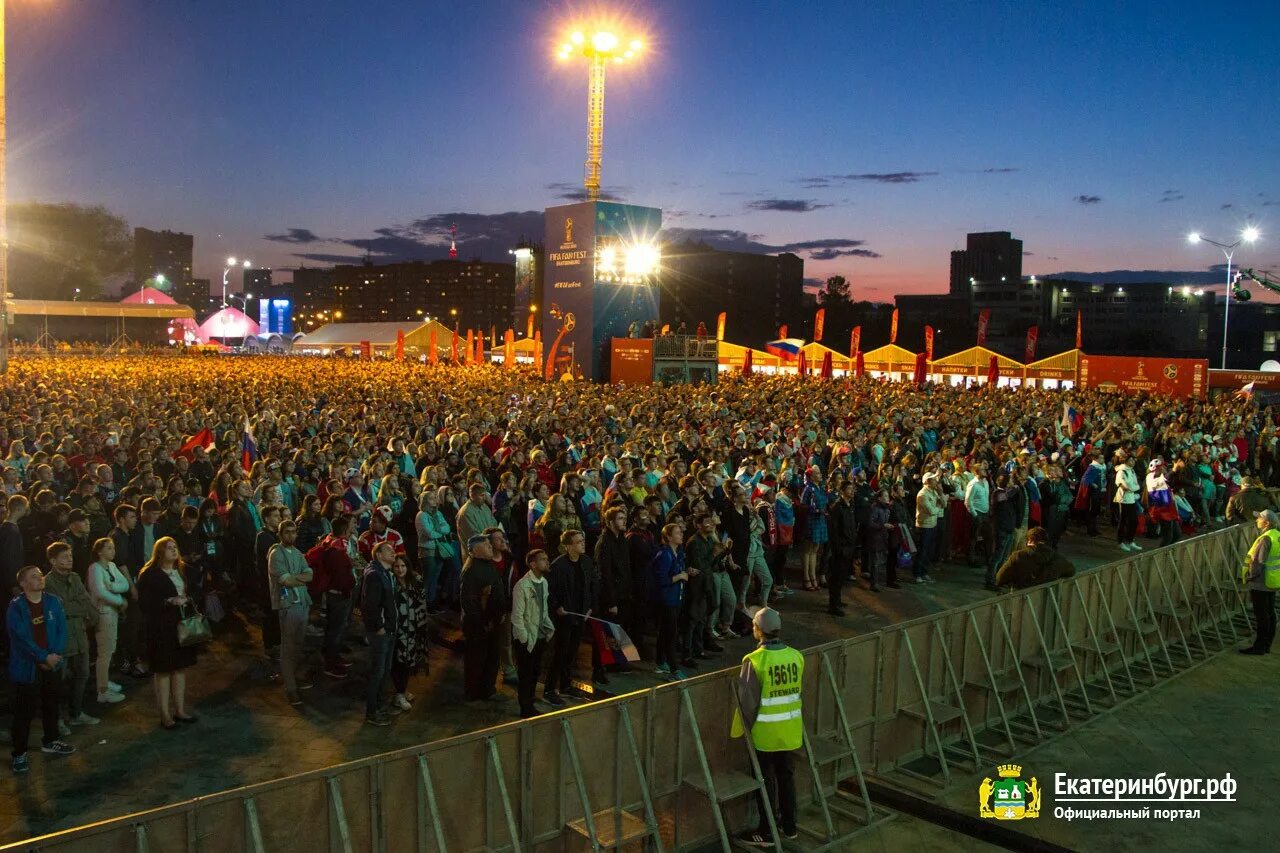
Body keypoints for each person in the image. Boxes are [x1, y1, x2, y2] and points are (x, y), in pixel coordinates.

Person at [730, 607, 801, 847]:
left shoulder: (755, 661)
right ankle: (790, 826)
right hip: (790, 731)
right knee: (787, 777)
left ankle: (767, 832)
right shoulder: (795, 656)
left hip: (765, 734)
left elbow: (747, 703)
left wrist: (741, 730)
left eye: (754, 625)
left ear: (759, 630)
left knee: (765, 781)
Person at [7, 564, 75, 773]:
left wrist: (54, 656)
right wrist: (42, 656)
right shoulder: (16, 607)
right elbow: (21, 638)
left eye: (40, 575)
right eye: (34, 577)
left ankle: (51, 740)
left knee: (51, 704)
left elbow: (62, 629)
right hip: (27, 667)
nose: (40, 578)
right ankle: (19, 753)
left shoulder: (53, 602)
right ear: (23, 583)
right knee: (24, 712)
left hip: (52, 663)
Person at [136, 537, 200, 729]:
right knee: (163, 670)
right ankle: (165, 714)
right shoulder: (149, 575)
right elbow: (145, 603)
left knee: (179, 668)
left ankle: (180, 710)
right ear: (160, 552)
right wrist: (168, 601)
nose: (173, 550)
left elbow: (197, 589)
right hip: (161, 628)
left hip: (181, 626)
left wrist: (188, 598)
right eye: (169, 548)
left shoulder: (183, 570)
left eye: (175, 547)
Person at [43, 542, 100, 727]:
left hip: (80, 634)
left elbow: (87, 604)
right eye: (65, 556)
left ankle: (76, 713)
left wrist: (80, 611)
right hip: (62, 640)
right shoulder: (47, 583)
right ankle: (58, 719)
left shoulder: (75, 578)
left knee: (82, 675)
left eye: (70, 555)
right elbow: (59, 610)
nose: (70, 559)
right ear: (53, 560)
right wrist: (77, 608)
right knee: (59, 682)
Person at [546, 529, 598, 699]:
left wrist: (590, 607)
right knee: (560, 653)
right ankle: (549, 688)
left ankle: (566, 685)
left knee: (572, 653)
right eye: (578, 542)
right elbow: (550, 591)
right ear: (568, 546)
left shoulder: (586, 562)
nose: (583, 544)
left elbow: (592, 586)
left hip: (580, 614)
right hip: (565, 615)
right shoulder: (558, 565)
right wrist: (557, 607)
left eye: (583, 540)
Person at [268, 520, 314, 706]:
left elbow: (309, 574)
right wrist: (300, 579)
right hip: (287, 604)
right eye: (287, 532)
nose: (291, 535)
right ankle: (290, 688)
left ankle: (293, 678)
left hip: (302, 603)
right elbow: (285, 580)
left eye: (293, 532)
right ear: (280, 534)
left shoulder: (297, 553)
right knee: (288, 647)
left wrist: (297, 579)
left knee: (298, 643)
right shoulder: (275, 554)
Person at [459, 533, 506, 701]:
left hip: (492, 622)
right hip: (479, 625)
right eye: (486, 545)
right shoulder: (472, 570)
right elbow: (469, 601)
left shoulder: (487, 565)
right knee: (477, 659)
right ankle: (474, 692)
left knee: (491, 658)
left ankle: (487, 688)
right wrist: (482, 622)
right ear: (474, 550)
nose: (490, 547)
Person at [510, 548, 555, 718]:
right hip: (528, 638)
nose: (546, 562)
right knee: (526, 674)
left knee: (535, 672)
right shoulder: (522, 586)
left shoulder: (543, 582)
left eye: (546, 558)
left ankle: (530, 701)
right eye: (542, 559)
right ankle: (526, 707)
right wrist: (524, 638)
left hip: (539, 635)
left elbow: (542, 611)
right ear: (532, 563)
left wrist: (548, 628)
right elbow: (517, 617)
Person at [360, 542, 399, 725]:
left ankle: (380, 706)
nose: (394, 552)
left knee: (384, 670)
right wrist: (380, 626)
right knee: (378, 671)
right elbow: (370, 605)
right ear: (379, 554)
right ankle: (372, 712)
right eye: (389, 550)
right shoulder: (375, 575)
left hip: (388, 629)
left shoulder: (384, 573)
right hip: (380, 632)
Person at [86, 536, 128, 704]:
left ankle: (104, 681)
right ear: (99, 551)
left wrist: (112, 587)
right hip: (103, 613)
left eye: (113, 547)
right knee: (104, 652)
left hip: (112, 611)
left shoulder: (111, 566)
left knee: (110, 649)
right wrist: (119, 601)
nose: (113, 551)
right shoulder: (94, 568)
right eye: (109, 548)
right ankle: (102, 690)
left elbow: (124, 584)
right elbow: (98, 592)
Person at [647, 522, 689, 680]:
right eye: (678, 533)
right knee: (671, 633)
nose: (681, 535)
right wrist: (679, 576)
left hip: (675, 598)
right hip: (666, 600)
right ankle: (674, 668)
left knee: (665, 632)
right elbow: (660, 579)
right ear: (669, 537)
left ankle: (660, 662)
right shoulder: (664, 555)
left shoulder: (677, 553)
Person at [389, 554, 430, 712]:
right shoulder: (391, 583)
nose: (400, 570)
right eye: (397, 566)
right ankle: (399, 693)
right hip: (398, 629)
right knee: (398, 662)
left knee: (408, 660)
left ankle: (402, 690)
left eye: (403, 566)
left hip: (413, 628)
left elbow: (422, 603)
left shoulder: (416, 581)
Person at [1239, 509, 1280, 656]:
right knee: (1270, 613)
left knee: (1262, 615)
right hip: (1273, 579)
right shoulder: (1277, 536)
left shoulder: (1266, 538)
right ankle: (1266, 645)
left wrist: (1250, 577)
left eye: (1259, 518)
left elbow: (1258, 562)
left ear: (1267, 523)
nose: (1257, 520)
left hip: (1261, 582)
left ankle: (1259, 647)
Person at [993, 527, 1076, 590]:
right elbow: (1072, 571)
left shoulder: (1018, 556)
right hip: (1046, 599)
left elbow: (999, 578)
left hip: (1020, 598)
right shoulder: (1057, 558)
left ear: (1030, 540)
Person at [1114, 452, 1142, 552]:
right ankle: (1121, 542)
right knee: (1123, 521)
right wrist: (1133, 488)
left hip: (1131, 499)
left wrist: (1133, 488)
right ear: (1125, 461)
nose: (1133, 462)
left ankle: (1130, 540)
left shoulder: (1132, 471)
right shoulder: (1121, 472)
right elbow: (1125, 487)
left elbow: (1136, 485)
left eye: (1133, 460)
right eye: (1131, 460)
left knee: (1134, 521)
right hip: (1124, 499)